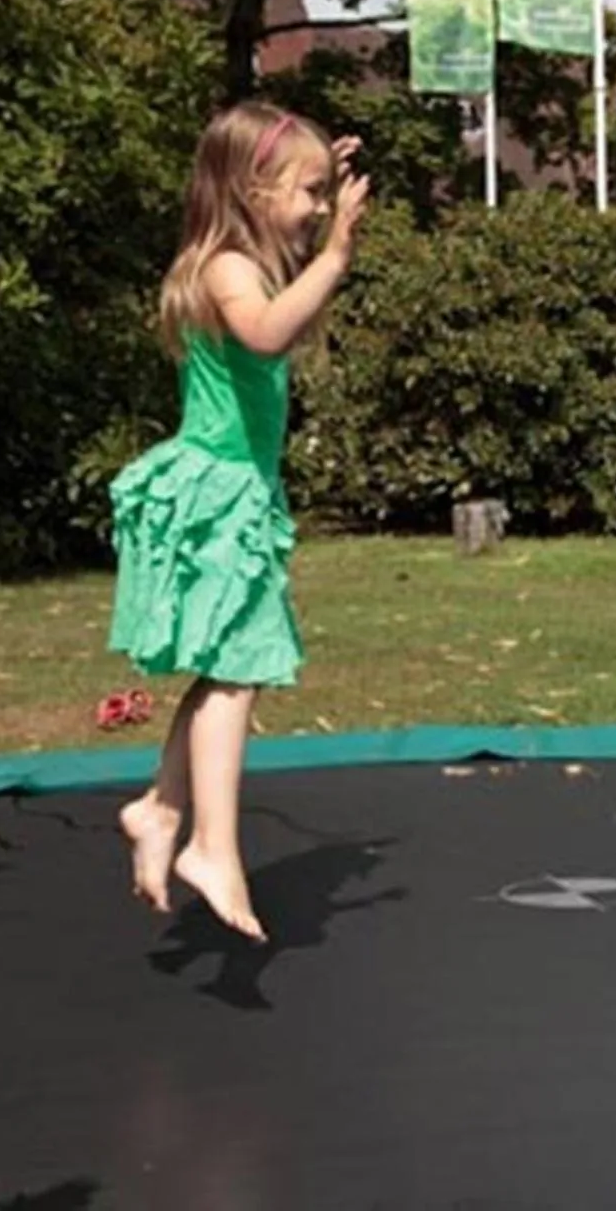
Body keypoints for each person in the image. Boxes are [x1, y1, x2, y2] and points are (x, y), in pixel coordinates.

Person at [109, 101, 369, 940]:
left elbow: (278, 269)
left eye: (326, 194)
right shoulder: (225, 268)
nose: (320, 209)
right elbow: (262, 335)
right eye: (308, 193)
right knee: (236, 669)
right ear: (255, 189)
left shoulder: (242, 255)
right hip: (218, 493)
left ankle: (159, 807)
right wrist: (333, 258)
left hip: (239, 494)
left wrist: (317, 168)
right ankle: (212, 847)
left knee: (226, 668)